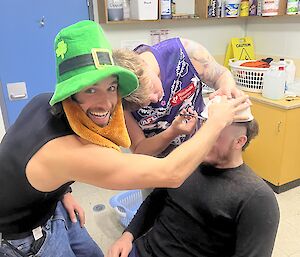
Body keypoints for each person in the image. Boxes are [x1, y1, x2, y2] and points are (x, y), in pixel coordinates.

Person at [0, 21, 250, 257]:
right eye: (90, 89)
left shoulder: (43, 101)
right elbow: (171, 174)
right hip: (22, 235)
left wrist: (62, 191)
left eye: (111, 88)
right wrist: (217, 121)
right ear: (70, 93)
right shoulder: (70, 153)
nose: (107, 103)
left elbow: (26, 161)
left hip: (52, 206)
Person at [107, 106, 280, 257]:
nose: (202, 139)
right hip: (143, 250)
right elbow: (155, 201)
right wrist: (127, 236)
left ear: (239, 142)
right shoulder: (183, 166)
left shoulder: (257, 198)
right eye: (204, 129)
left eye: (214, 134)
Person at [113, 38, 245, 157]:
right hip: (158, 166)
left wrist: (226, 88)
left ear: (143, 65)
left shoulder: (185, 52)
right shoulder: (118, 96)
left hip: (200, 151)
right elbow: (140, 149)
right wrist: (172, 132)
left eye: (151, 89)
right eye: (144, 104)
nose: (155, 99)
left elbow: (221, 75)